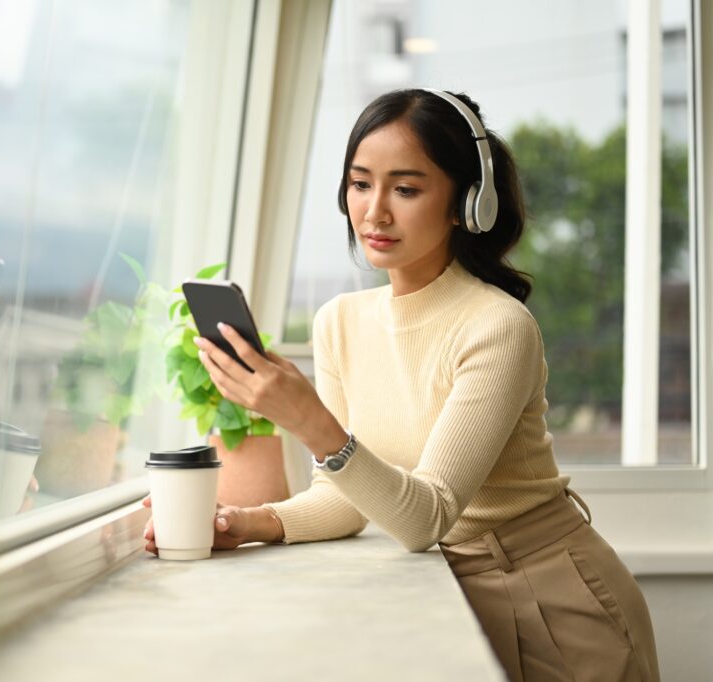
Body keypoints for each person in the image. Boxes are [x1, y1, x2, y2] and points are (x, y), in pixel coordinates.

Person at [142, 88, 659, 682]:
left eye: (406, 189)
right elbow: (346, 495)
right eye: (360, 184)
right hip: (446, 591)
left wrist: (306, 418)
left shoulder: (499, 327)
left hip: (553, 601)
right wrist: (243, 523)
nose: (375, 212)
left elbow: (425, 518)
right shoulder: (340, 320)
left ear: (467, 204)